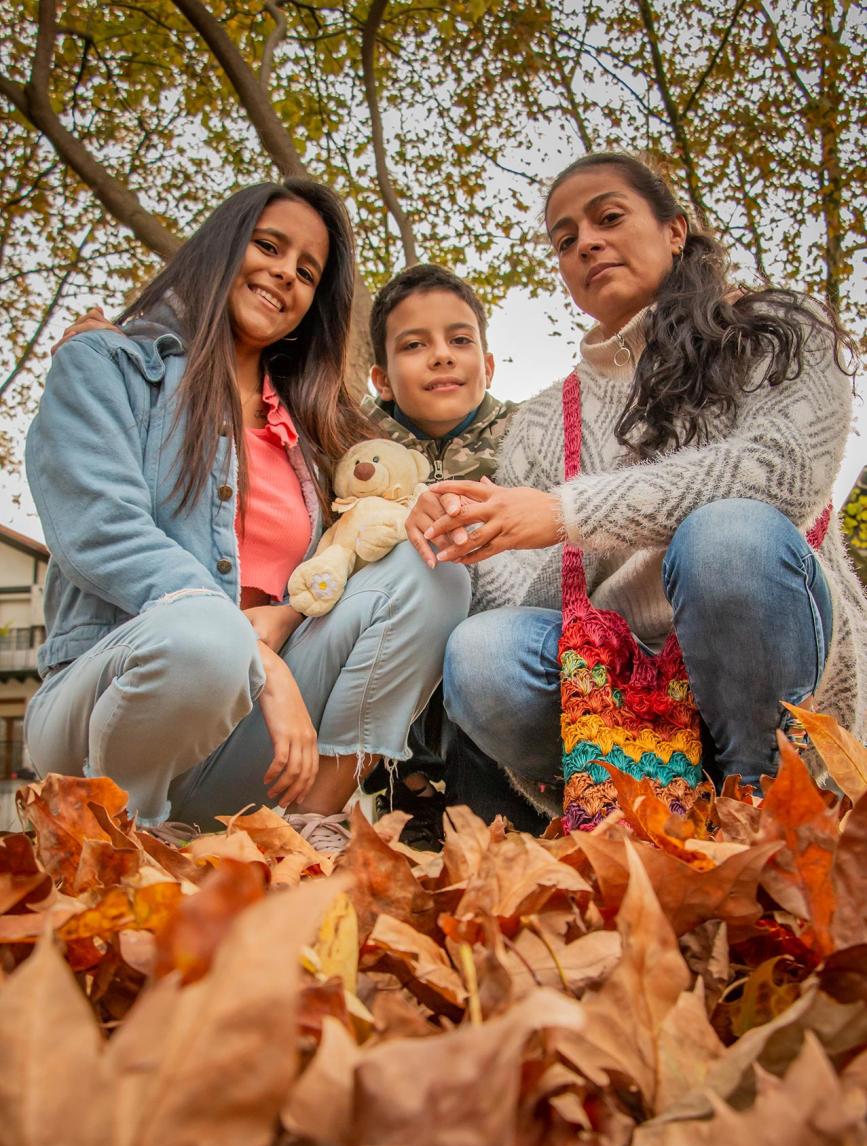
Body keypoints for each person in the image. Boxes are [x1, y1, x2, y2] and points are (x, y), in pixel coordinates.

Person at [406, 151, 866, 824]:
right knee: (480, 649)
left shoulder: (780, 328)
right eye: (564, 240)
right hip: (613, 684)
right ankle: (623, 815)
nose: (585, 242)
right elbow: (530, 590)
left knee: (727, 537)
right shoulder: (539, 421)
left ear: (674, 230)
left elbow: (782, 474)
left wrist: (567, 513)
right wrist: (454, 529)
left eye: (608, 217)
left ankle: (763, 806)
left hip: (769, 651)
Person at [25, 179, 470, 850]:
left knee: (432, 568)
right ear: (223, 246)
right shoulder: (109, 366)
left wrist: (286, 619)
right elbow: (98, 529)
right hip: (114, 708)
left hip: (259, 747)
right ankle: (118, 851)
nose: (284, 274)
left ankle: (304, 832)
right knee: (206, 639)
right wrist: (264, 662)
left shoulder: (313, 430)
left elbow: (348, 561)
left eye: (306, 272)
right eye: (268, 245)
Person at [358, 263, 517, 843]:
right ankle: (410, 786)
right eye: (414, 345)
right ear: (380, 378)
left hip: (496, 644)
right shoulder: (350, 442)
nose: (441, 356)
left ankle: (485, 800)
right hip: (398, 629)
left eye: (459, 340)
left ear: (488, 365)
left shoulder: (527, 435)